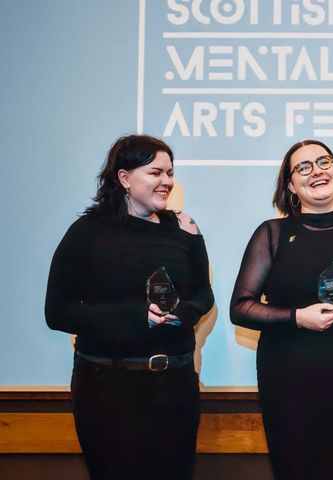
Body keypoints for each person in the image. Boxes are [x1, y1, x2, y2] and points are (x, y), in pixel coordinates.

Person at [45, 135, 214, 480]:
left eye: (170, 172)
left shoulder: (185, 227)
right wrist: (137, 316)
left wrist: (184, 314)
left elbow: (203, 295)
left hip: (175, 387)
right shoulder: (86, 233)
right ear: (124, 178)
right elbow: (57, 312)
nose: (167, 181)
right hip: (108, 389)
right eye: (156, 172)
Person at [229, 139, 333, 480]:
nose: (317, 171)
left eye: (324, 162)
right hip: (288, 389)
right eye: (303, 167)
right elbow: (241, 308)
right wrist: (297, 318)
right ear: (291, 185)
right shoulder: (271, 235)